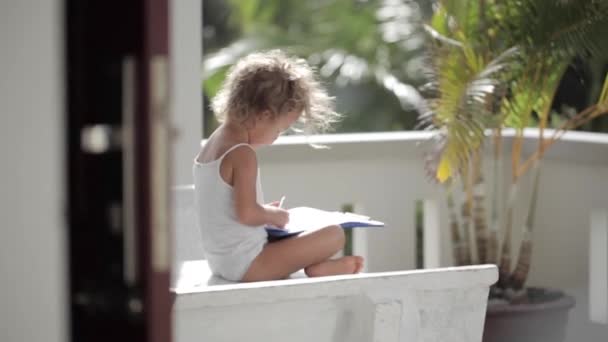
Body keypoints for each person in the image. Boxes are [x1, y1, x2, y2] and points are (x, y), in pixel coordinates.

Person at [193, 50, 364, 282]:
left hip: (222, 262)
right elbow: (247, 214)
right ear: (264, 115)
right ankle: (320, 268)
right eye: (279, 130)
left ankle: (319, 266)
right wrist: (274, 215)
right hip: (249, 266)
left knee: (297, 235)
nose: (276, 138)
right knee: (334, 234)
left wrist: (262, 212)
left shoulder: (213, 143)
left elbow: (229, 211)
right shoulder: (242, 154)